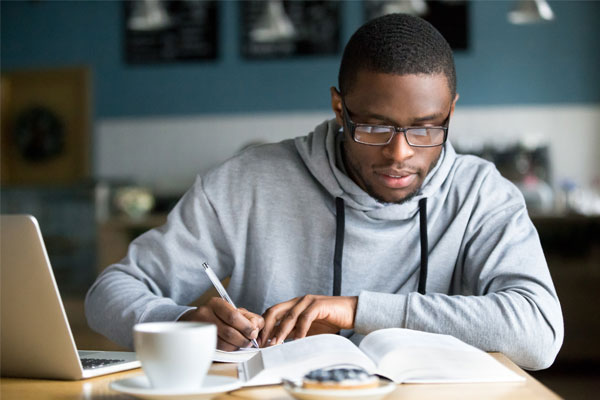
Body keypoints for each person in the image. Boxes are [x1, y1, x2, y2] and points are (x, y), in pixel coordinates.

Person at [86, 13, 563, 370]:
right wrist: (183, 321)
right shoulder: (247, 182)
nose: (400, 154)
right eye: (375, 127)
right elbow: (108, 293)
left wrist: (355, 309)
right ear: (340, 107)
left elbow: (539, 333)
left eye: (425, 128)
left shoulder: (481, 194)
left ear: (450, 112)